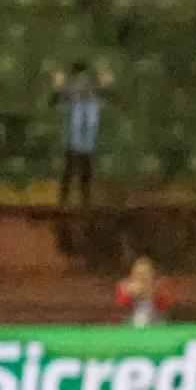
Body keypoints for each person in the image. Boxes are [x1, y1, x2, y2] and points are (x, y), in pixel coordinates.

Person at [52, 61, 112, 256]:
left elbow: (106, 98)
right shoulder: (70, 92)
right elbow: (57, 101)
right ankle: (65, 198)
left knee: (84, 171)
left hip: (86, 143)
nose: (82, 82)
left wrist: (105, 85)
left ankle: (82, 198)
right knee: (71, 169)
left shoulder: (92, 92)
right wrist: (59, 87)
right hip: (74, 142)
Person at [116, 257, 173, 328]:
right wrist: (130, 294)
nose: (142, 277)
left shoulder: (159, 288)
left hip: (156, 330)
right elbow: (120, 306)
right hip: (130, 330)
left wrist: (150, 294)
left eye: (146, 273)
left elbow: (165, 307)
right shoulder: (124, 287)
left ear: (152, 275)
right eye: (138, 273)